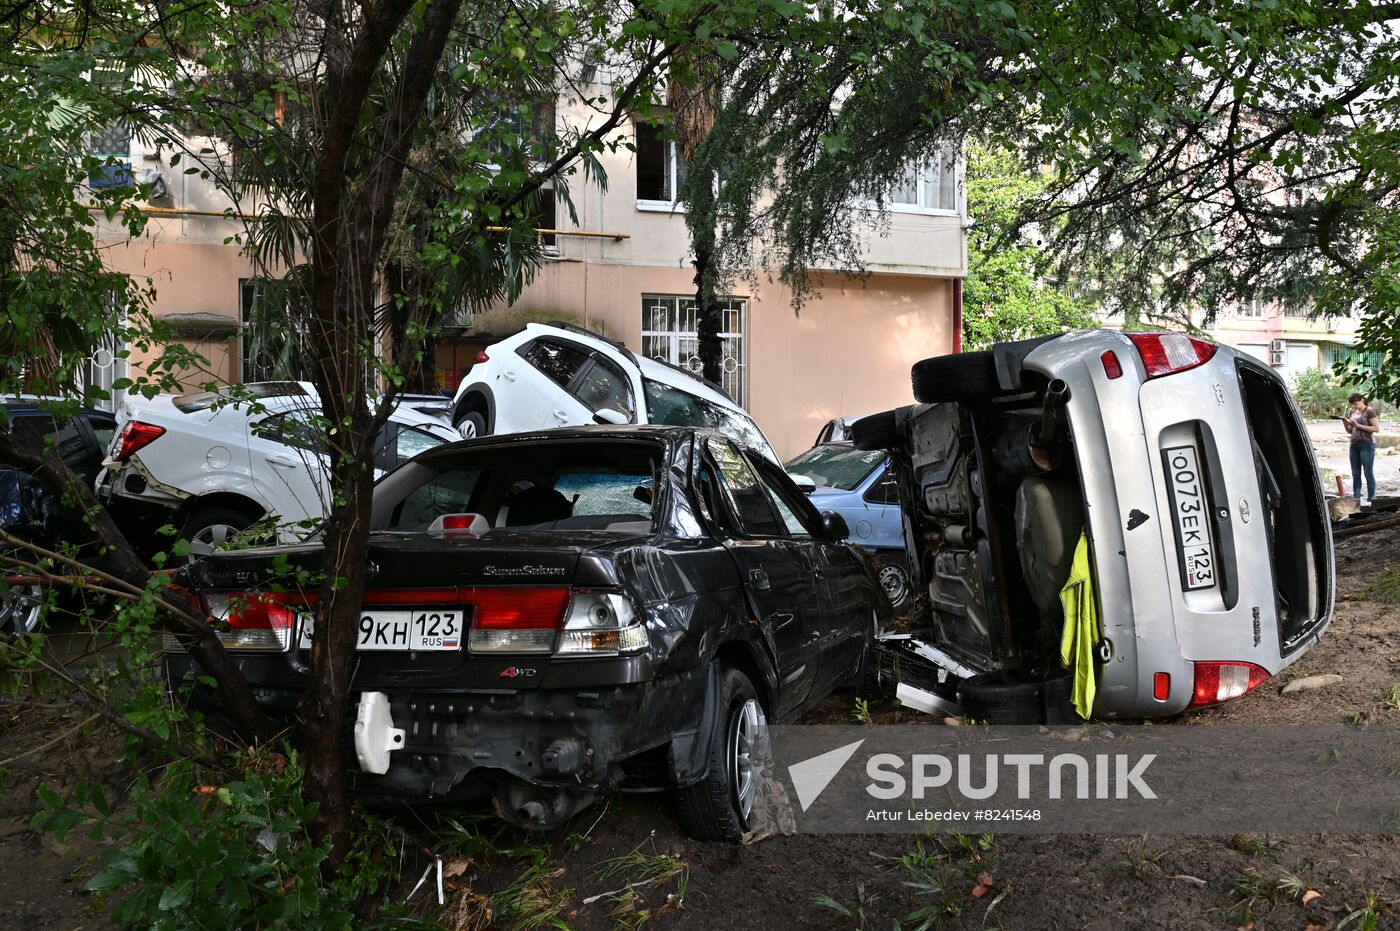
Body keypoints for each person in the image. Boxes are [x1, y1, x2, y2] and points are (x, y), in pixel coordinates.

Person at [1342, 392, 1381, 505]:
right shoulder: (1354, 412)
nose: (1354, 406)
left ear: (1362, 400)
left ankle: (1371, 498)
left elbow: (1376, 428)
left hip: (1367, 445)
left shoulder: (1369, 411)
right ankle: (1356, 497)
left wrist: (1358, 425)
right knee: (1355, 472)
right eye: (1352, 405)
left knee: (1368, 472)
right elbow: (1351, 430)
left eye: (1356, 404)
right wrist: (1346, 424)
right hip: (1354, 444)